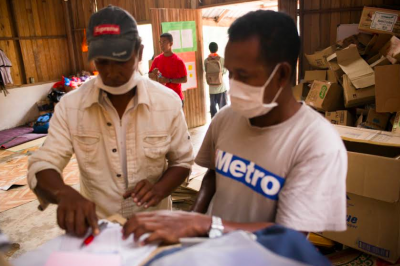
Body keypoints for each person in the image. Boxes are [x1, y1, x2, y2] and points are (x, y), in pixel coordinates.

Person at [122, 10, 347, 245]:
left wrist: (206, 225)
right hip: (209, 249)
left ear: (281, 74)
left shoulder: (318, 144)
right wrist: (193, 218)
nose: (233, 84)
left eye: (244, 75)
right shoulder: (227, 118)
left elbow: (289, 236)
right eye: (230, 72)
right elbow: (213, 174)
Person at [27, 6, 194, 237]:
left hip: (154, 226)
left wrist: (159, 188)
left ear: (140, 52)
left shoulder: (167, 102)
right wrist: (64, 193)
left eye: (122, 60)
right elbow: (42, 164)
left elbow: (182, 161)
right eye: (103, 62)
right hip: (99, 230)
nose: (112, 72)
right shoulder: (71, 106)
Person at [149, 33, 187, 106]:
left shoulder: (178, 61)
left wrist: (169, 80)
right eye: (160, 42)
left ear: (171, 43)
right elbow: (149, 75)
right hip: (161, 98)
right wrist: (153, 73)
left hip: (176, 98)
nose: (161, 44)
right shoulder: (157, 59)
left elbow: (184, 79)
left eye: (164, 42)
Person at [204, 42, 228, 118]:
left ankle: (214, 126)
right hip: (221, 88)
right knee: (223, 110)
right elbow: (224, 71)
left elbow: (206, 71)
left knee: (213, 112)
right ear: (217, 49)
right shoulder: (221, 59)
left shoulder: (206, 61)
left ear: (209, 49)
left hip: (211, 89)